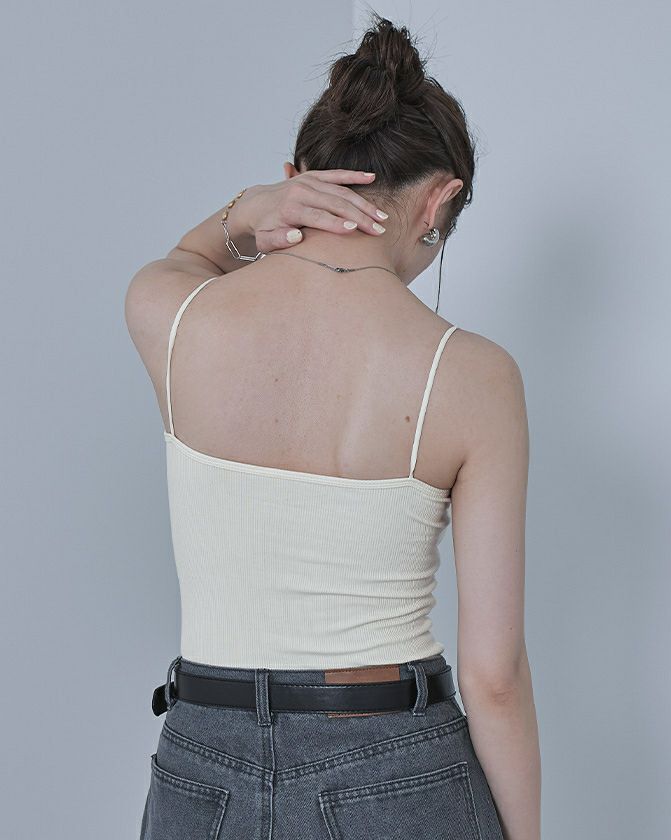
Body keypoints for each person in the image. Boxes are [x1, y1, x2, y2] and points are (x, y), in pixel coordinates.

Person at [125, 13, 540, 840]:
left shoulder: (174, 318)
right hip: (395, 765)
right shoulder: (472, 375)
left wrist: (246, 211)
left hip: (201, 762)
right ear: (440, 198)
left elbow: (187, 257)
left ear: (296, 178)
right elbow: (494, 677)